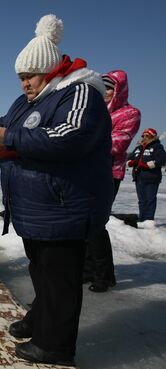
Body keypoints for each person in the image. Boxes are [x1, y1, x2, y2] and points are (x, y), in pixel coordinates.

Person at [0, 14, 113, 366]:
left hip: (64, 207)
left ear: (50, 70)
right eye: (20, 78)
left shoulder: (80, 92)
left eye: (29, 76)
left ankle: (56, 345)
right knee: (40, 270)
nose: (24, 83)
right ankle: (40, 320)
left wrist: (8, 136)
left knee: (60, 280)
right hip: (36, 208)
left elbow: (69, 137)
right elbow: (14, 132)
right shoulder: (28, 100)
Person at [84, 71, 141, 293]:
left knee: (96, 223)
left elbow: (117, 144)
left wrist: (81, 145)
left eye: (109, 88)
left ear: (118, 90)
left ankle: (105, 276)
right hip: (85, 172)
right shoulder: (94, 111)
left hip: (108, 174)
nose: (105, 92)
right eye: (103, 87)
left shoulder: (129, 114)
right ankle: (87, 269)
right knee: (83, 223)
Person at [127, 128, 166, 221]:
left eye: (147, 136)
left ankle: (148, 219)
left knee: (150, 199)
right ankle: (141, 218)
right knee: (141, 200)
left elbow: (162, 159)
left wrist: (147, 165)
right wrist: (131, 162)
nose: (144, 137)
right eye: (143, 135)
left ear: (152, 136)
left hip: (151, 178)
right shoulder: (138, 148)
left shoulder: (157, 147)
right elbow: (129, 158)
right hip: (138, 177)